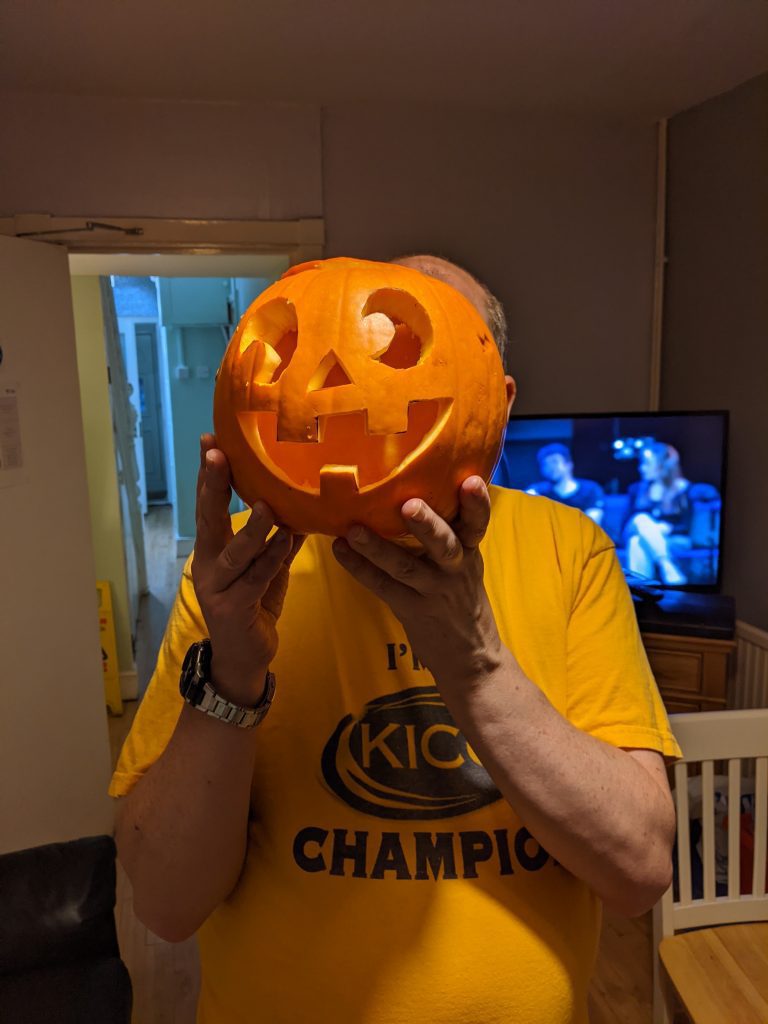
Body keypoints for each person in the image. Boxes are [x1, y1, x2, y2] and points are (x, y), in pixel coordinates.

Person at [111, 255, 680, 1024]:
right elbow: (166, 906)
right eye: (310, 343)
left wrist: (475, 664)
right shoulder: (236, 570)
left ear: (498, 402)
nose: (343, 376)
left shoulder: (567, 547)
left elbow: (639, 870)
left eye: (408, 344)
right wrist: (232, 674)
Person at [624, 441, 693, 586]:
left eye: (647, 463)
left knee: (636, 543)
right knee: (641, 518)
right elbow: (625, 523)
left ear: (663, 465)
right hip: (634, 529)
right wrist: (652, 527)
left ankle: (641, 591)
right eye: (641, 463)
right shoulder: (636, 489)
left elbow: (688, 525)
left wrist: (669, 528)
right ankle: (666, 564)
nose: (641, 468)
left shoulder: (682, 489)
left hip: (674, 538)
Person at [526, 442, 605, 524]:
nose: (550, 467)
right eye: (545, 464)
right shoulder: (539, 491)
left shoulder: (590, 490)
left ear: (569, 464)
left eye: (554, 462)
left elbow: (592, 524)